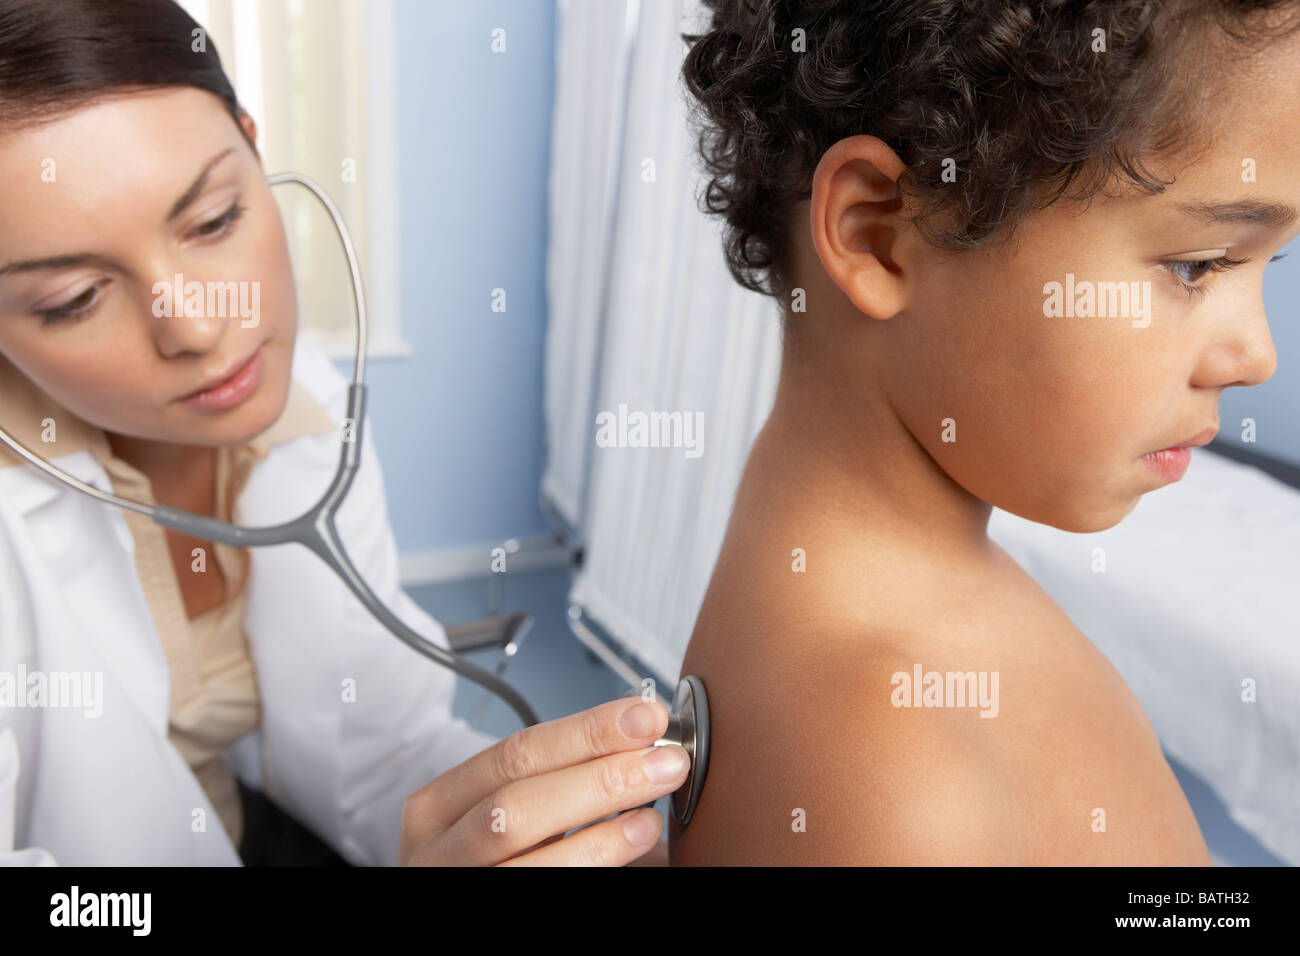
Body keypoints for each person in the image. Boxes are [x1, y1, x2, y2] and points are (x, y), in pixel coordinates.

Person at [0, 0, 688, 866]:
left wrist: (515, 822)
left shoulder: (304, 403)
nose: (201, 329)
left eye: (214, 221)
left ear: (255, 147)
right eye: (75, 299)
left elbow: (377, 747)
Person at [670, 0, 1300, 864]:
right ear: (879, 236)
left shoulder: (921, 601)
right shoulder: (890, 785)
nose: (1256, 356)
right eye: (1197, 264)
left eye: (1273, 262)